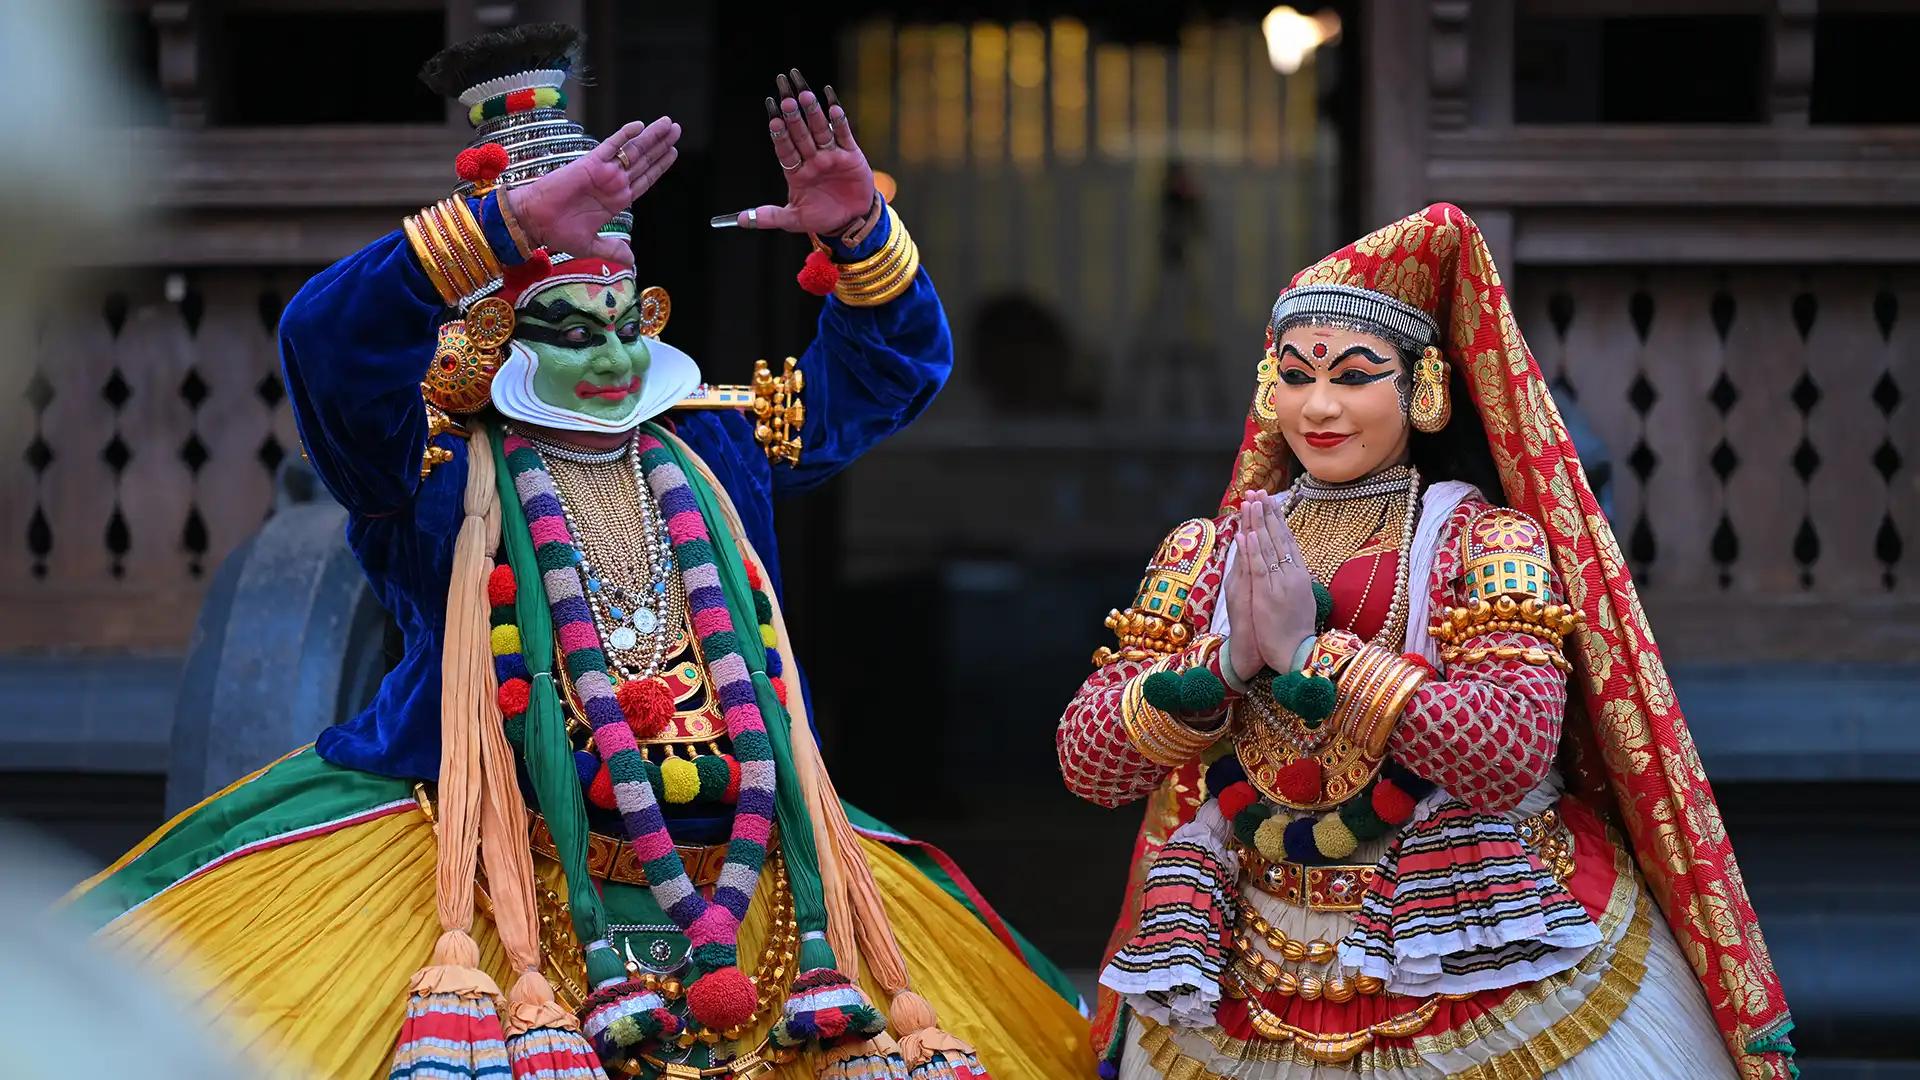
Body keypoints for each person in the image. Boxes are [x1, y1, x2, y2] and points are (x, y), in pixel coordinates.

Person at [73, 24, 1086, 1080]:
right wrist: (502, 225)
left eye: (622, 321)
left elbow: (893, 374)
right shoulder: (425, 471)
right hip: (483, 884)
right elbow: (323, 342)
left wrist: (861, 235)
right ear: (497, 337)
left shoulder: (713, 444)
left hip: (748, 890)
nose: (609, 353)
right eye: (567, 327)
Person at [1056, 204, 1795, 1079]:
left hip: (1472, 935)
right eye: (1294, 377)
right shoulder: (1208, 551)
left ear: (1425, 388)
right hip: (1243, 951)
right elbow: (1089, 762)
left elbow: (1509, 748)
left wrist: (1310, 657)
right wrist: (1222, 666)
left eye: (1355, 376)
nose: (1319, 406)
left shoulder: (1485, 543)